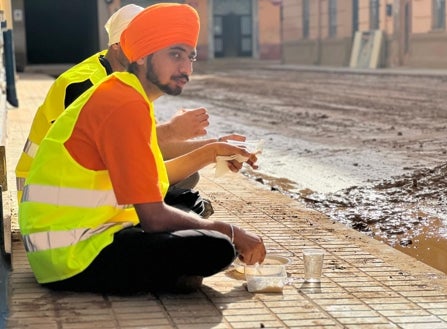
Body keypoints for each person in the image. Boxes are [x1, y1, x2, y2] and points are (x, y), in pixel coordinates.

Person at [19, 3, 266, 295]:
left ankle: (174, 272)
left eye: (191, 57)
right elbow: (153, 216)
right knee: (217, 247)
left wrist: (213, 149)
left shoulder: (128, 95)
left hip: (89, 232)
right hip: (71, 256)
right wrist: (232, 231)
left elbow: (153, 182)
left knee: (190, 206)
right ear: (141, 57)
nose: (185, 68)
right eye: (175, 54)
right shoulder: (122, 102)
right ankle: (173, 275)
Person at [15, 4, 223, 218]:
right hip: (53, 199)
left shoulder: (131, 81)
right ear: (117, 43)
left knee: (188, 178)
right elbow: (119, 152)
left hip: (81, 186)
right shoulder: (84, 84)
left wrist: (214, 146)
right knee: (182, 210)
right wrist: (201, 147)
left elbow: (148, 143)